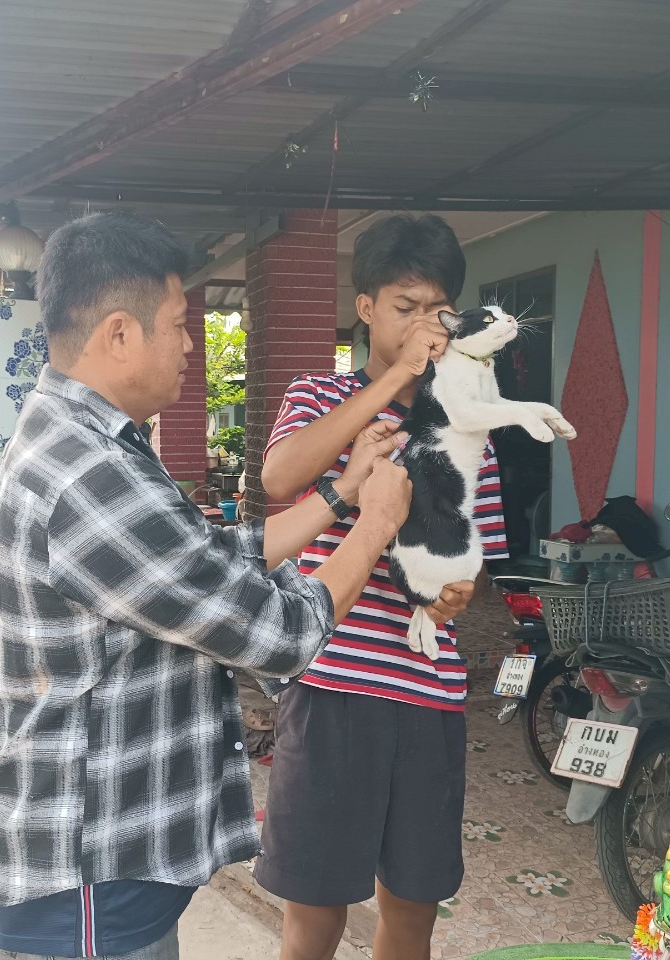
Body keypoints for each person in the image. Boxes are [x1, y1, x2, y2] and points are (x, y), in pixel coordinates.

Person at [0, 211, 412, 960]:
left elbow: (208, 558)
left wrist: (339, 496)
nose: (190, 346)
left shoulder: (86, 439)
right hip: (88, 884)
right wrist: (375, 525)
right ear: (118, 334)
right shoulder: (89, 477)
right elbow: (280, 635)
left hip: (98, 869)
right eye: (179, 324)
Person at [254, 214, 510, 960]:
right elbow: (279, 478)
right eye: (406, 307)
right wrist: (398, 377)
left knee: (411, 911)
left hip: (427, 697)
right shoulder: (317, 396)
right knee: (315, 916)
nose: (426, 326)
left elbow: (473, 563)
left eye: (439, 311)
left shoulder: (467, 428)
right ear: (365, 307)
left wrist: (457, 594)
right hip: (330, 688)